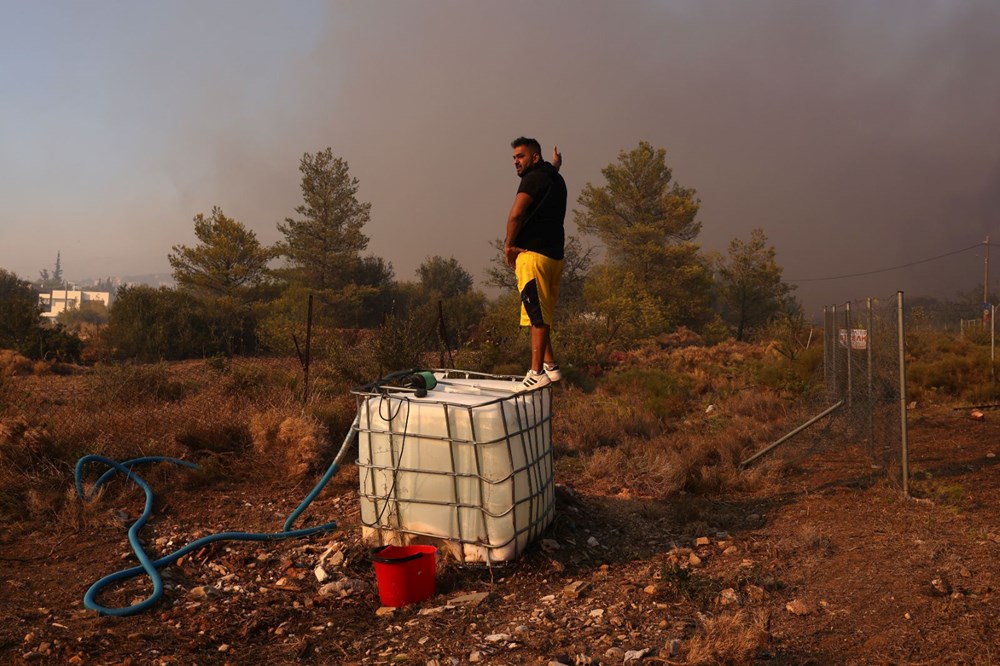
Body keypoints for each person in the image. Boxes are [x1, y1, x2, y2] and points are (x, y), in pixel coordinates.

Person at [504, 137, 567, 391]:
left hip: (534, 257)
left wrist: (509, 246)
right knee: (542, 312)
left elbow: (516, 214)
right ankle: (550, 366)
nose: (516, 162)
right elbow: (549, 175)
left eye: (520, 156)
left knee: (537, 317)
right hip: (554, 258)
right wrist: (555, 164)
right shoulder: (554, 178)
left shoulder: (531, 179)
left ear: (534, 158)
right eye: (514, 158)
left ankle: (536, 371)